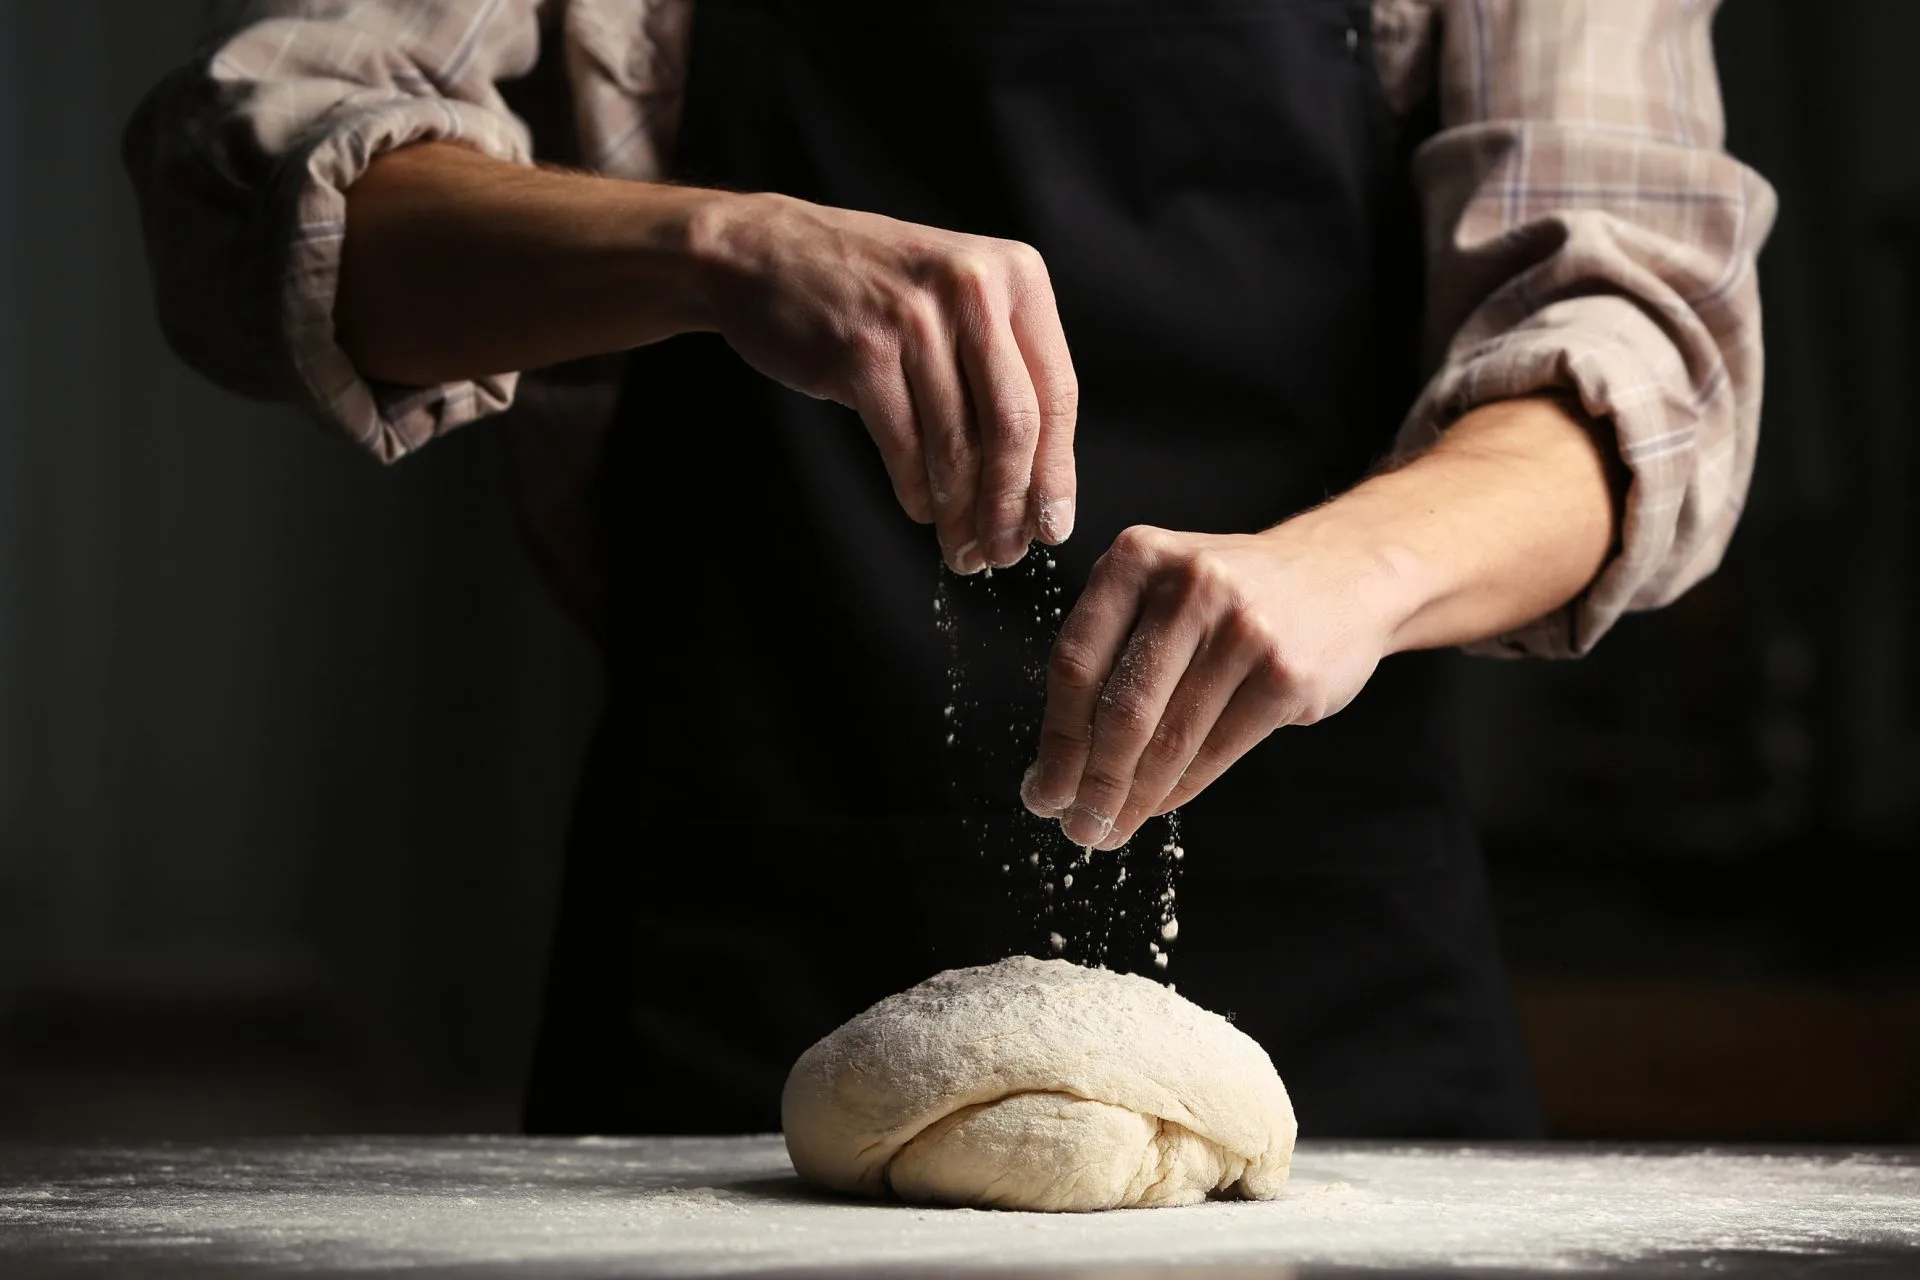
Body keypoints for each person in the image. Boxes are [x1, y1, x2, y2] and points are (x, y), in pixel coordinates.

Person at [125, 0, 1774, 1138]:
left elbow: (1638, 336)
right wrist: (711, 244)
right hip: (734, 966)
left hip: (1333, 973)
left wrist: (1361, 568)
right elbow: (240, 203)